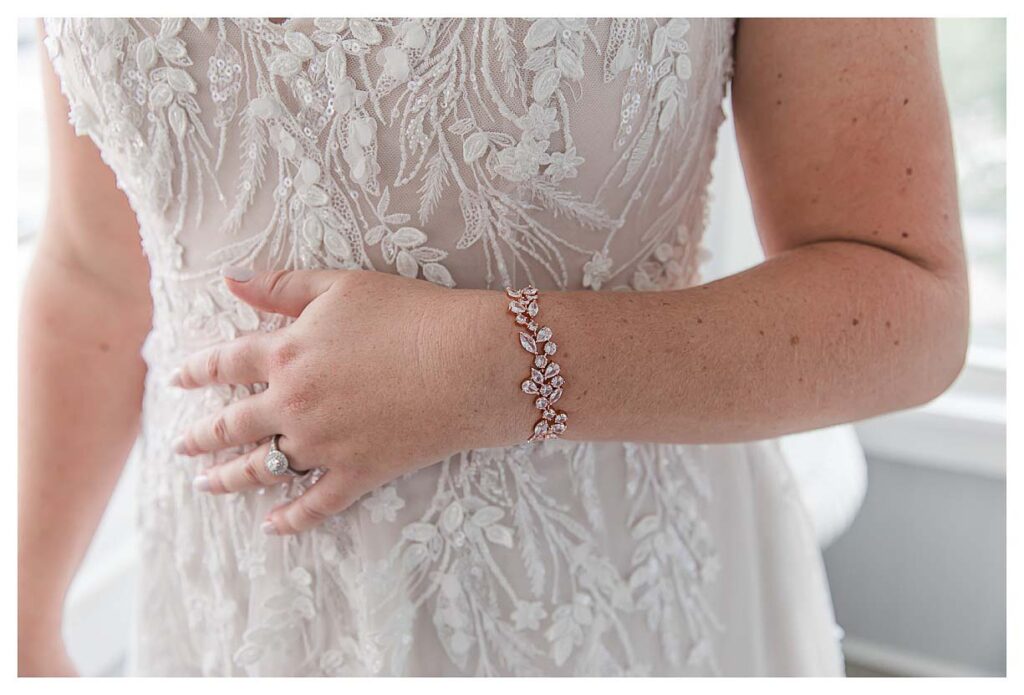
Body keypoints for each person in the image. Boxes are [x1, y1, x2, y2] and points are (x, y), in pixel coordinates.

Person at [19, 18, 967, 676]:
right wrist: (25, 620)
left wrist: (492, 369)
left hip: (595, 617)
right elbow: (97, 265)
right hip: (227, 624)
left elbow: (908, 297)